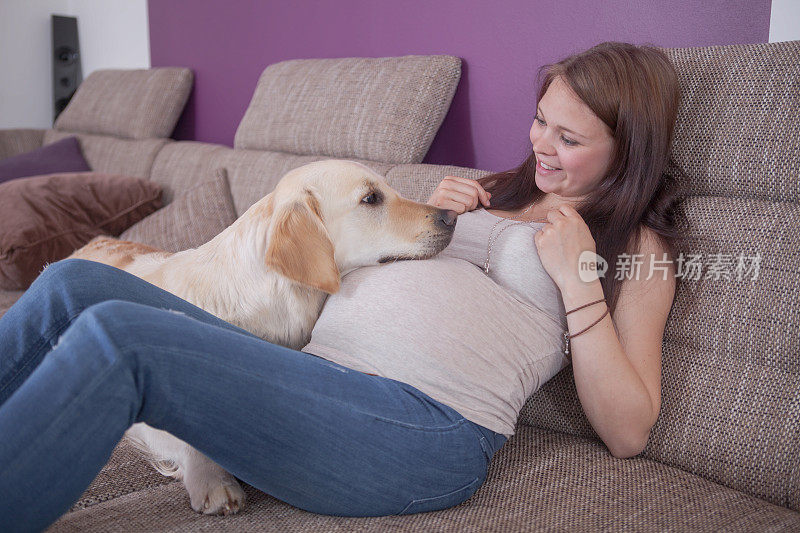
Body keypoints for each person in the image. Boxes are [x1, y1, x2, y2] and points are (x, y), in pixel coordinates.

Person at [0, 41, 683, 530]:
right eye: (540, 119)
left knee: (121, 338)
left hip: (422, 430)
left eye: (569, 137)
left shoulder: (636, 247)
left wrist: (579, 281)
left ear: (628, 149)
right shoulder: (493, 191)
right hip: (314, 377)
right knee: (74, 282)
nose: (540, 144)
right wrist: (432, 215)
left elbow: (629, 429)